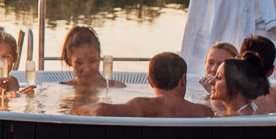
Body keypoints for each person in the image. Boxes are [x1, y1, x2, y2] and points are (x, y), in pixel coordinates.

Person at [76, 51, 212, 118]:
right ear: (183, 80)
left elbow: (100, 110)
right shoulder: (204, 112)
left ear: (150, 81)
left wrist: (74, 110)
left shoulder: (141, 106)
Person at [208, 43, 276, 114]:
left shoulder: (235, 118)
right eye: (210, 62)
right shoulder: (248, 110)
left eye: (218, 78)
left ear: (236, 85)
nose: (211, 82)